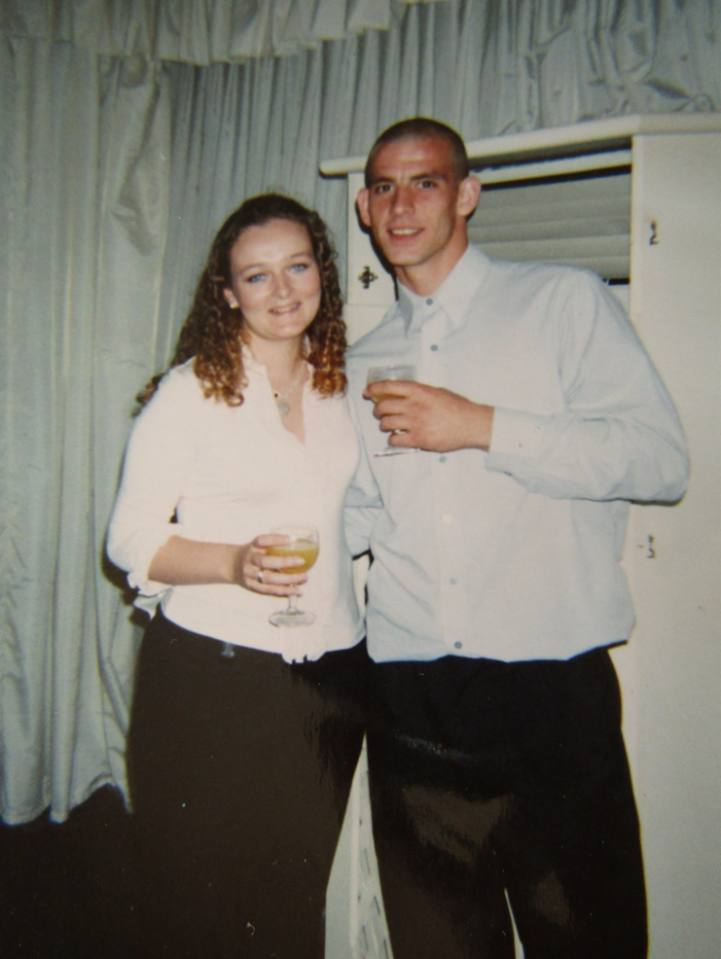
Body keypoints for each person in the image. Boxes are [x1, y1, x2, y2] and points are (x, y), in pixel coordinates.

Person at [344, 118, 690, 959]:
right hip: (411, 692)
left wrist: (482, 426)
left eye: (423, 181)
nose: (401, 203)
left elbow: (659, 462)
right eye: (383, 186)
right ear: (361, 206)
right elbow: (359, 510)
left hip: (549, 694)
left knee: (588, 940)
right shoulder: (360, 359)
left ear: (466, 195)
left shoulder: (562, 301)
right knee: (441, 944)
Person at [107, 193, 366, 959]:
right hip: (211, 676)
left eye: (297, 266)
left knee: (293, 893)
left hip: (329, 676)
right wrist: (232, 561)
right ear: (227, 294)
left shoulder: (341, 384)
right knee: (195, 899)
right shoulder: (188, 393)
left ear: (322, 271)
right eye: (257, 277)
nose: (283, 291)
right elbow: (129, 539)